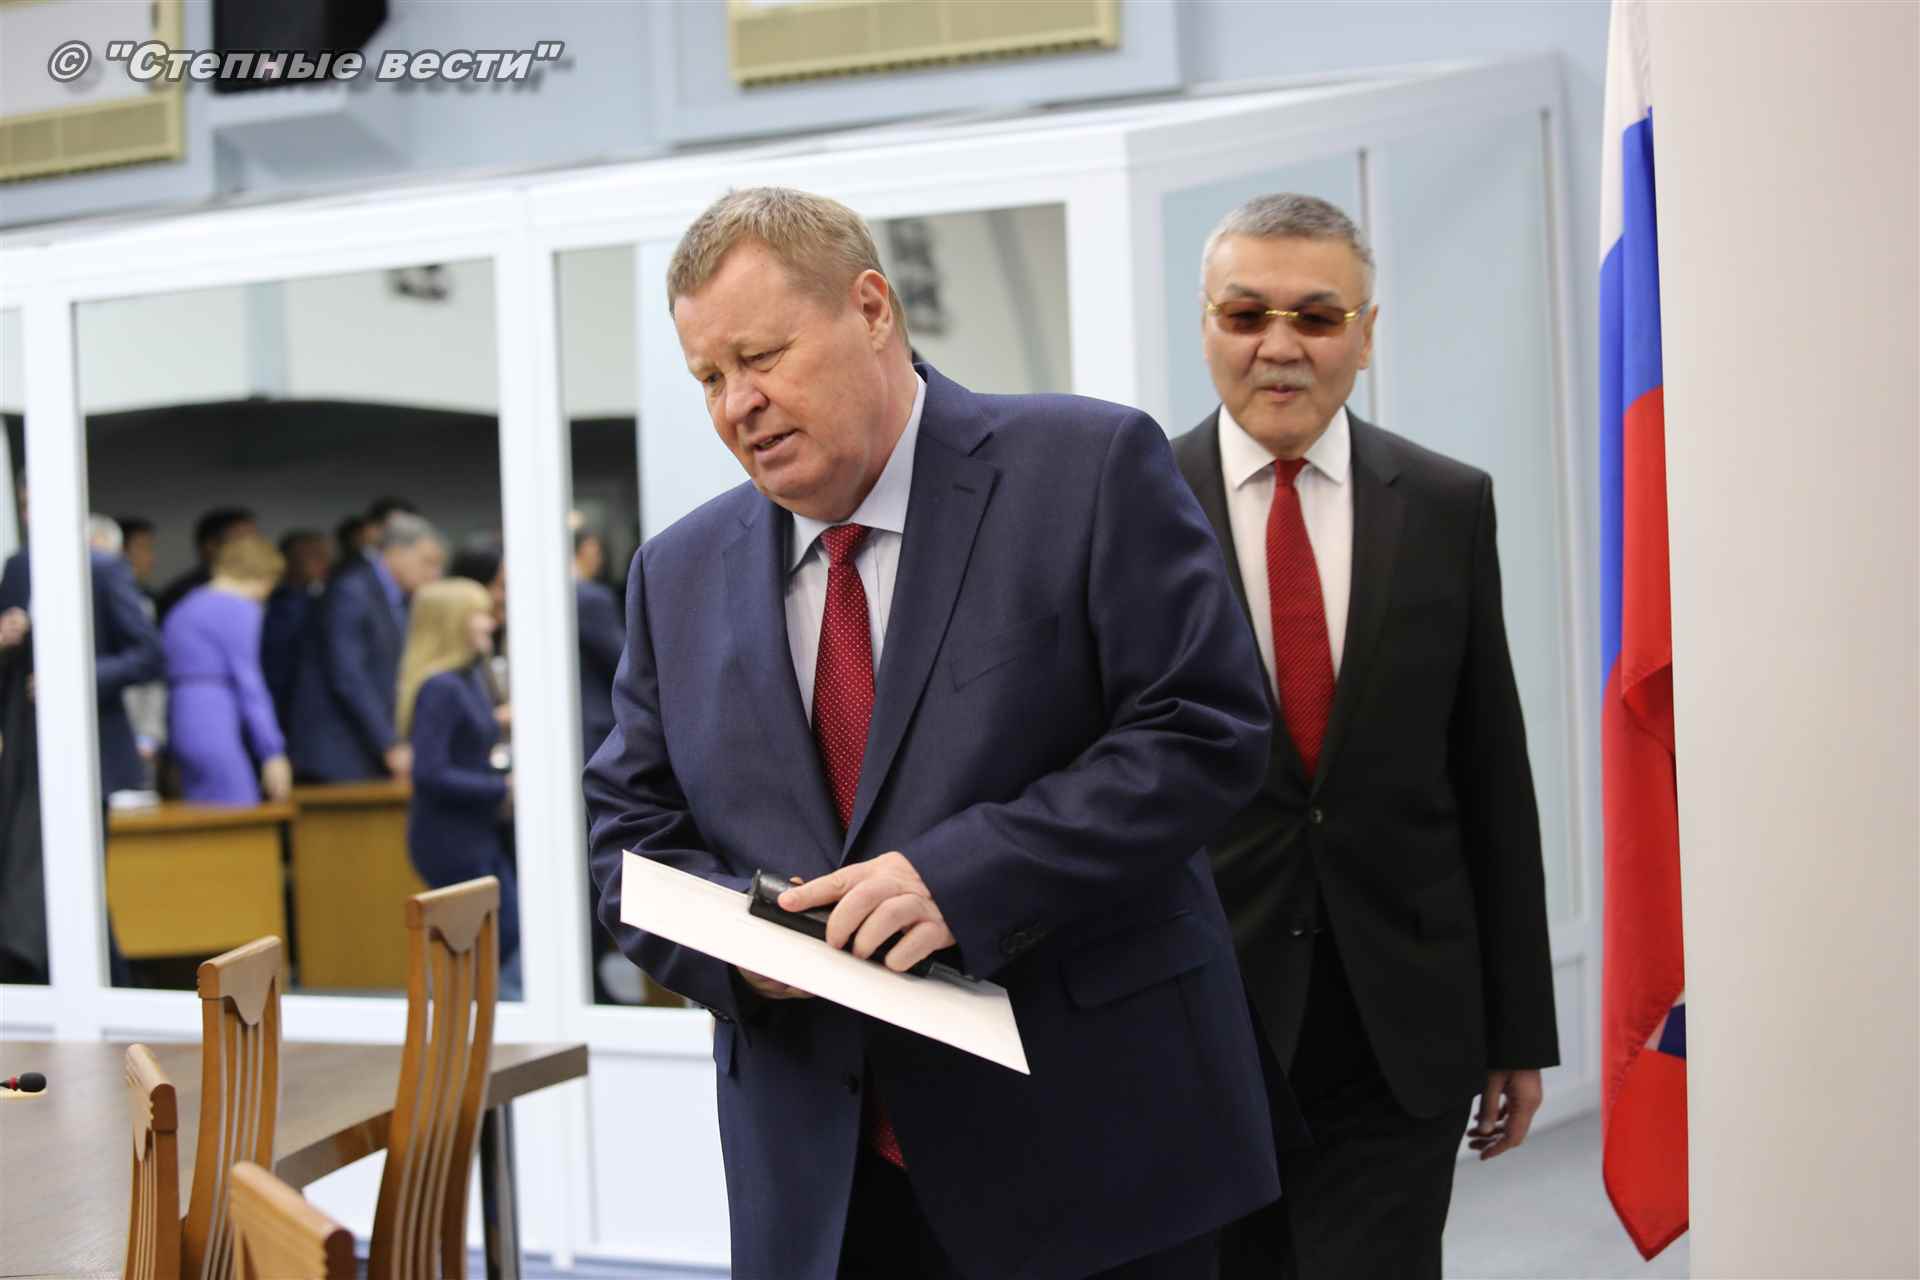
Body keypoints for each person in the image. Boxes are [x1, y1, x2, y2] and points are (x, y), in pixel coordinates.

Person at [584, 187, 1279, 1280]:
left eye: (762, 356)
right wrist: (747, 952)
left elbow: (1203, 729)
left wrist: (960, 877)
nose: (739, 404)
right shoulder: (674, 573)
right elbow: (627, 839)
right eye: (709, 377)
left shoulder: (1086, 468)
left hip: (1093, 1152)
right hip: (824, 1190)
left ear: (871, 309)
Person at [1169, 193, 1559, 1279]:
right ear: (1205, 327)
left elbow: (1490, 773)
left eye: (1316, 316)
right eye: (1245, 314)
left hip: (1403, 1024)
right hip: (1204, 1017)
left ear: (1367, 333)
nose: (1279, 345)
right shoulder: (1135, 506)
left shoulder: (1444, 503)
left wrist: (1518, 1028)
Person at [397, 577, 519, 994]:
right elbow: (430, 772)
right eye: (480, 614)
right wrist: (502, 789)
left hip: (474, 832)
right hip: (450, 838)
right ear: (455, 622)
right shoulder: (442, 687)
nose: (491, 623)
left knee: (494, 938)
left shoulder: (466, 679)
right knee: (487, 940)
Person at [287, 512, 445, 782]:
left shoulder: (399, 598)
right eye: (427, 562)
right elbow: (348, 675)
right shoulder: (352, 590)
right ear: (396, 552)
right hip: (338, 750)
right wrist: (389, 743)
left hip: (369, 746)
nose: (435, 574)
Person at [163, 535, 292, 805]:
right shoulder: (237, 607)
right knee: (237, 805)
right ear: (264, 577)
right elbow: (250, 683)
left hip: (182, 712)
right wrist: (272, 751)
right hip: (214, 714)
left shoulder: (187, 604)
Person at [261, 529, 331, 726]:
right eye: (314, 555)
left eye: (325, 555)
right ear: (288, 562)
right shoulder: (282, 605)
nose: (324, 561)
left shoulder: (321, 597)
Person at [572, 527, 622, 764]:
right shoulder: (590, 598)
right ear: (585, 551)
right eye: (597, 552)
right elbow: (623, 659)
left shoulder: (548, 595)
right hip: (597, 720)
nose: (600, 560)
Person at [155, 506, 257, 620]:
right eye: (241, 539)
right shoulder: (182, 595)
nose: (252, 548)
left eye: (254, 540)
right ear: (211, 545)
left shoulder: (261, 588)